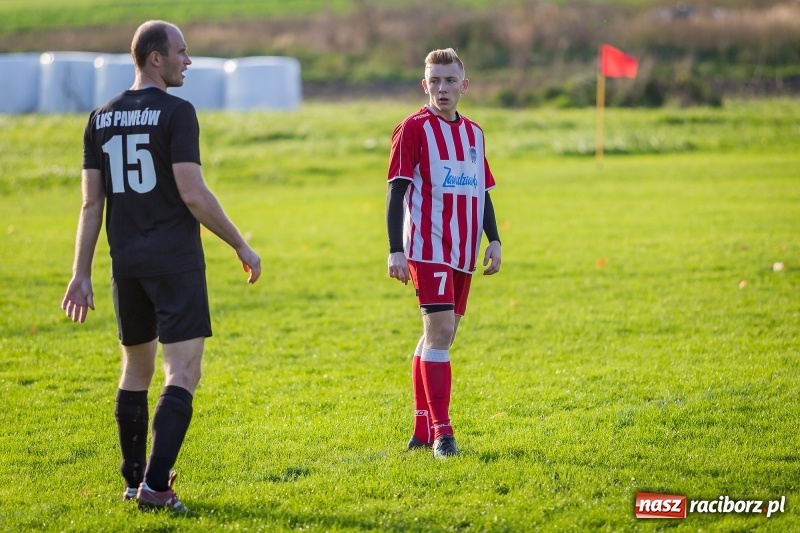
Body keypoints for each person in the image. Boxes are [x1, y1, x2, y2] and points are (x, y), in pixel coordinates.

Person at [61, 20, 261, 514]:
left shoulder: (99, 117)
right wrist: (240, 244)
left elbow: (91, 205)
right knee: (184, 371)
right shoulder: (177, 112)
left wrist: (80, 272)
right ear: (156, 58)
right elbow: (193, 193)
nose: (187, 61)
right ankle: (154, 486)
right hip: (173, 262)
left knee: (137, 368)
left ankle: (133, 482)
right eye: (181, 52)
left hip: (124, 263)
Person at [386, 48, 502, 459]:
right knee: (439, 334)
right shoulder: (413, 129)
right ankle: (442, 433)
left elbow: (482, 192)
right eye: (434, 81)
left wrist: (495, 239)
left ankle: (421, 427)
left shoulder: (475, 134)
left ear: (464, 85)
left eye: (450, 80)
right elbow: (396, 190)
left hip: (464, 250)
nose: (442, 88)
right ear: (425, 85)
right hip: (427, 248)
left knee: (442, 334)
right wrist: (395, 250)